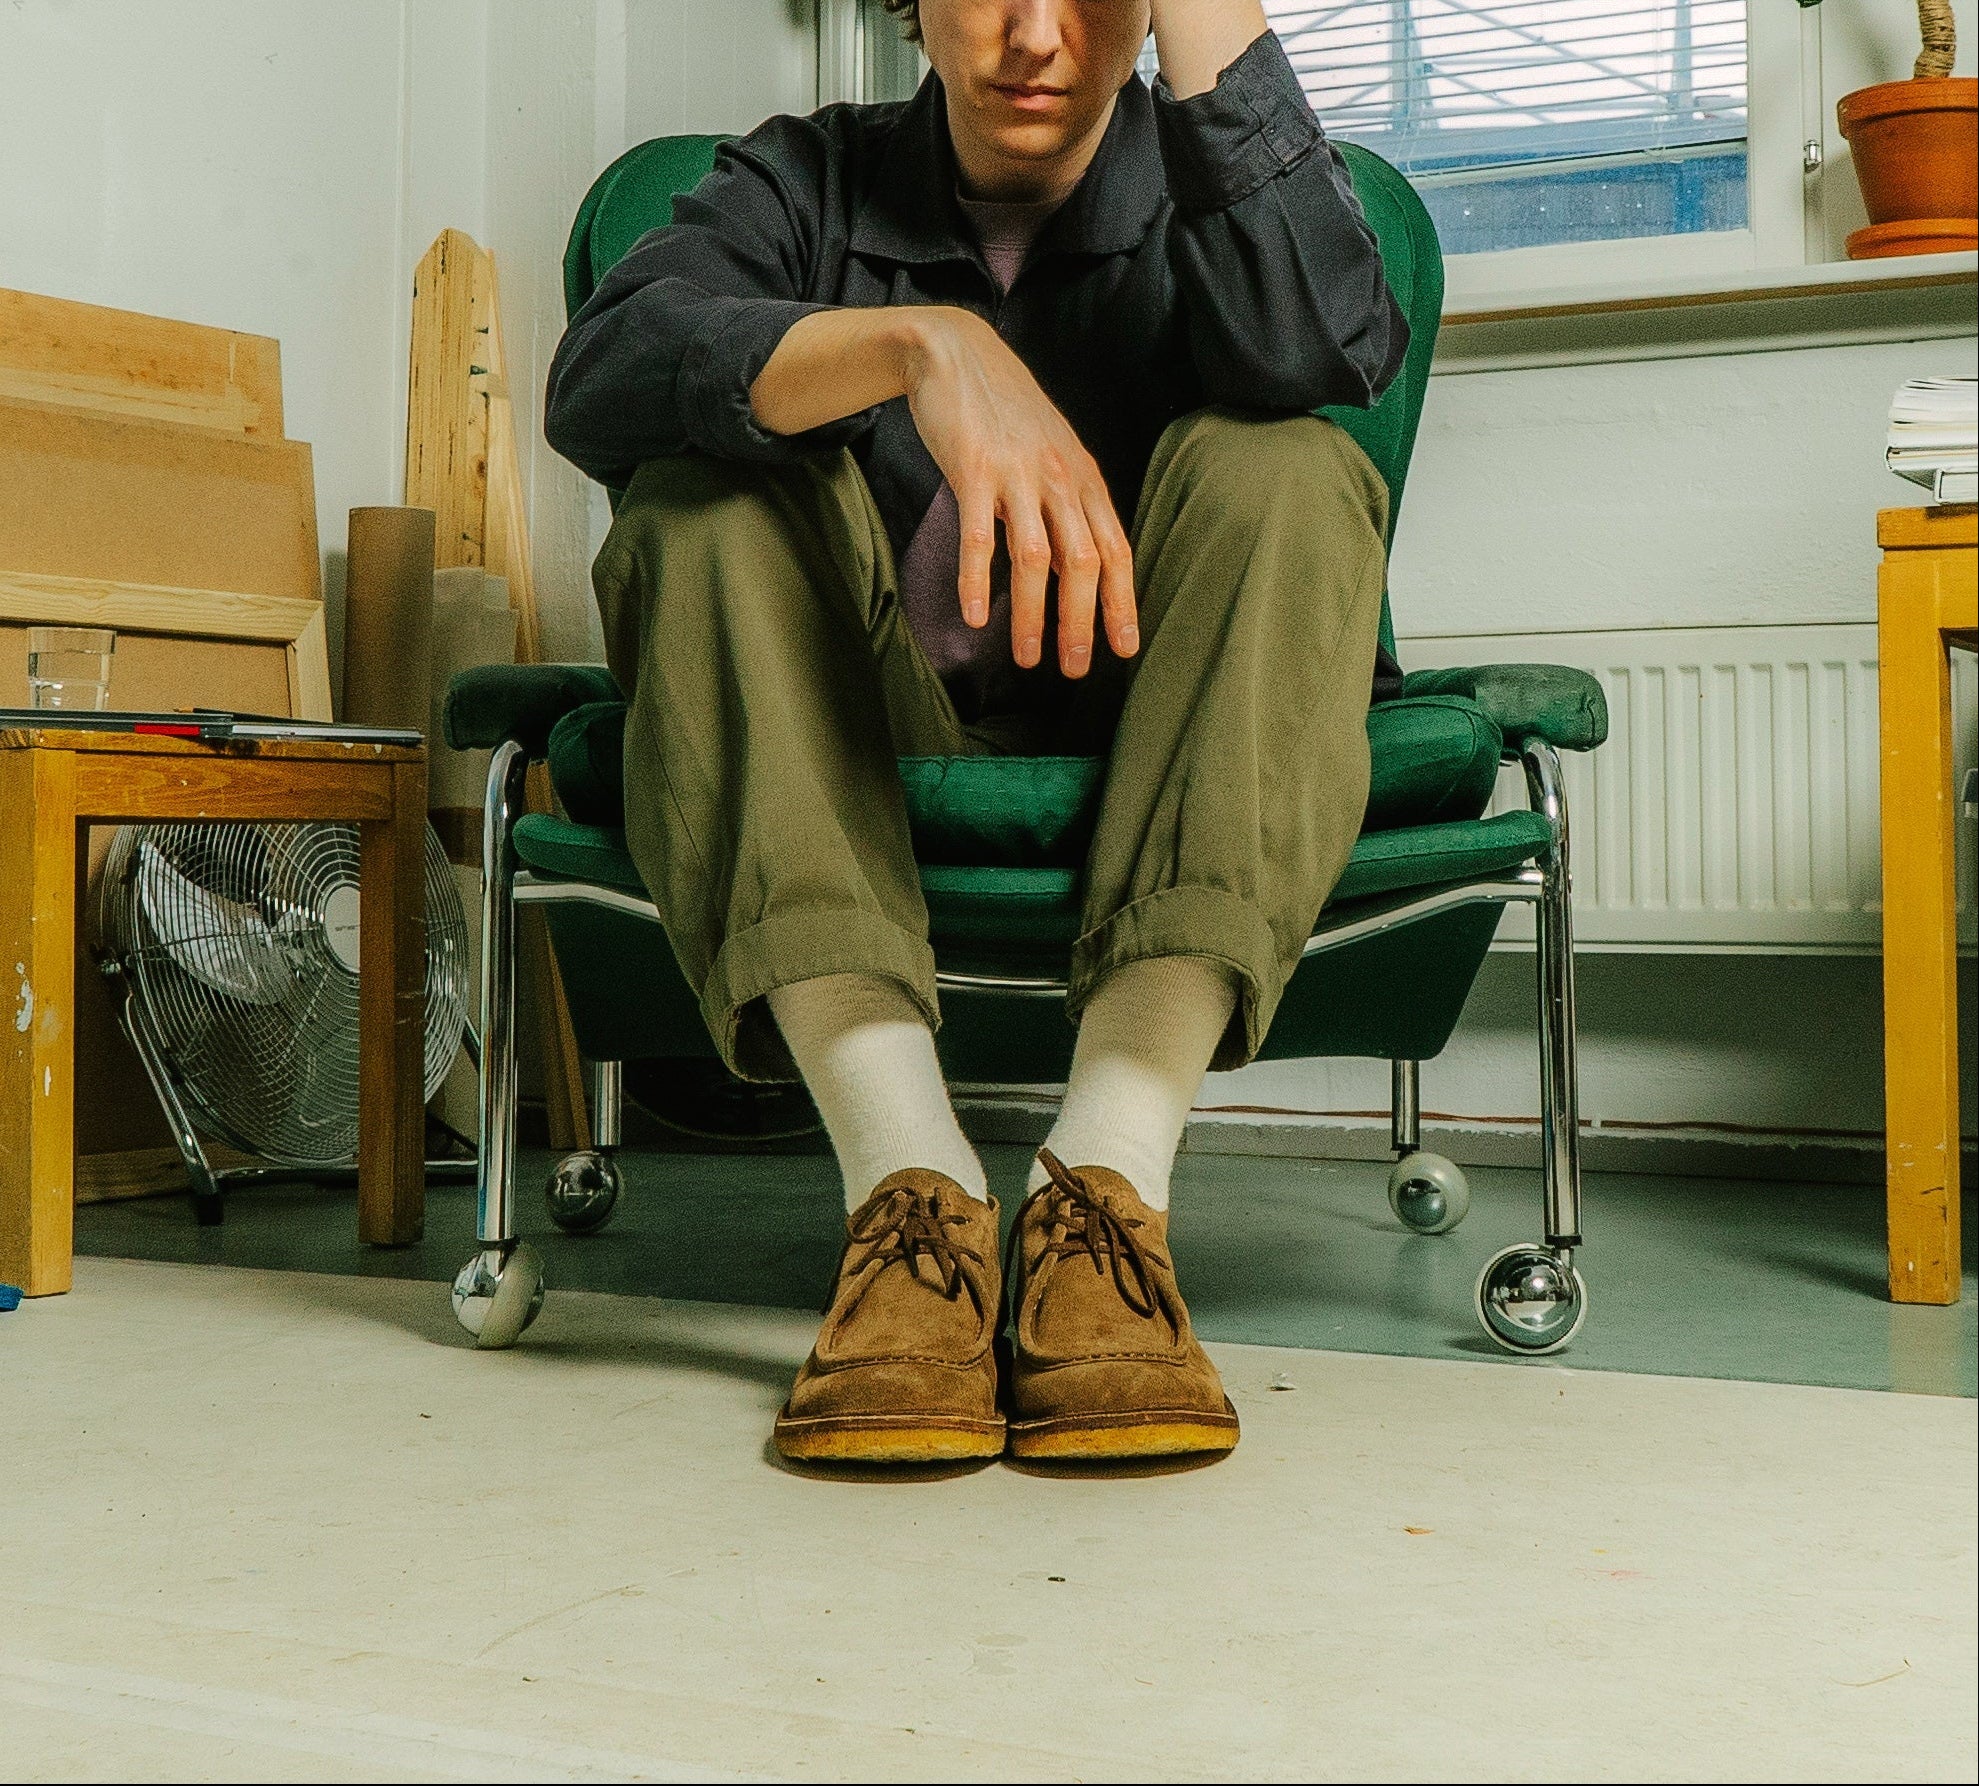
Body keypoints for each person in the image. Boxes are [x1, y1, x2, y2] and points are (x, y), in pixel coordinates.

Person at [544, 0, 1405, 1466]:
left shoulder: (1202, 182)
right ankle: (911, 1193)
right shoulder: (805, 179)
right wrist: (917, 347)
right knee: (699, 499)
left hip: (1149, 722)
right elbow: (603, 376)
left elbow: (1326, 345)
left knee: (1290, 466)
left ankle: (1103, 1192)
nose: (1034, 32)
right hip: (863, 728)